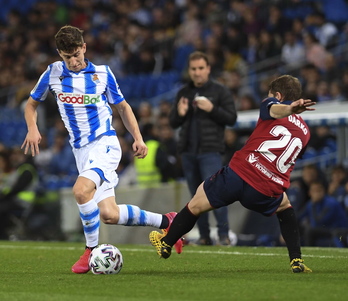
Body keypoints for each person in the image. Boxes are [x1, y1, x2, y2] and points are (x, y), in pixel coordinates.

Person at [21, 25, 183, 274]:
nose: (73, 61)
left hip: (105, 144)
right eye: (67, 57)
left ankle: (90, 251)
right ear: (59, 54)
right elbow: (31, 105)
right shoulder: (52, 73)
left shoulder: (102, 74)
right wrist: (32, 128)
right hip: (80, 152)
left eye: (76, 54)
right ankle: (168, 221)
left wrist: (137, 138)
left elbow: (123, 107)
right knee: (108, 214)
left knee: (80, 190)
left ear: (84, 48)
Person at [150, 75, 315, 273]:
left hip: (239, 174)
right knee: (286, 207)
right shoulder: (305, 131)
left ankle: (166, 243)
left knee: (196, 203)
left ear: (278, 95)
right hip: (266, 189)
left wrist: (287, 109)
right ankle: (296, 260)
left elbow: (273, 109)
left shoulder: (271, 104)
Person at [169, 51, 237, 245]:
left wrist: (212, 109)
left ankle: (223, 235)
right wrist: (180, 113)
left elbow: (232, 118)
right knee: (196, 198)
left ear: (208, 69)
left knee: (217, 194)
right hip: (188, 152)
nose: (197, 72)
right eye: (193, 69)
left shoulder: (220, 91)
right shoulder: (184, 92)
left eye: (200, 68)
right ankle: (205, 236)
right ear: (189, 71)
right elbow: (173, 122)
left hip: (210, 152)